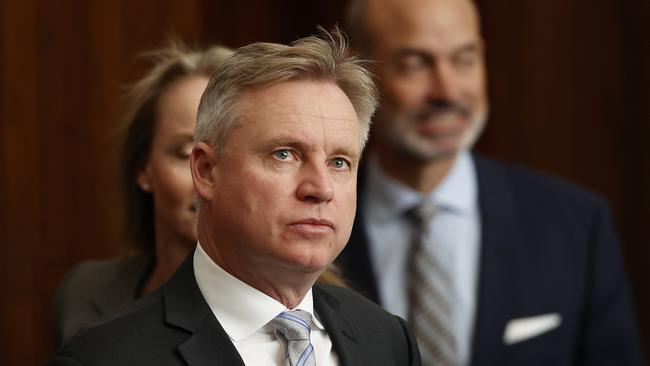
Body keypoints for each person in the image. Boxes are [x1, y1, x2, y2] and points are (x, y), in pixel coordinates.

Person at [46, 29, 421, 366]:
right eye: (284, 154)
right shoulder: (101, 360)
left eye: (339, 162)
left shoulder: (388, 340)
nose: (320, 188)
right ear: (207, 171)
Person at [336, 0, 644, 365]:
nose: (447, 91)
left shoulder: (576, 225)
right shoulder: (310, 223)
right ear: (359, 71)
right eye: (416, 63)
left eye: (464, 59)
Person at [51, 41, 233, 349]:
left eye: (229, 156)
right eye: (185, 153)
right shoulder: (82, 293)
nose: (208, 179)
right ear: (143, 168)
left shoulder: (305, 313)